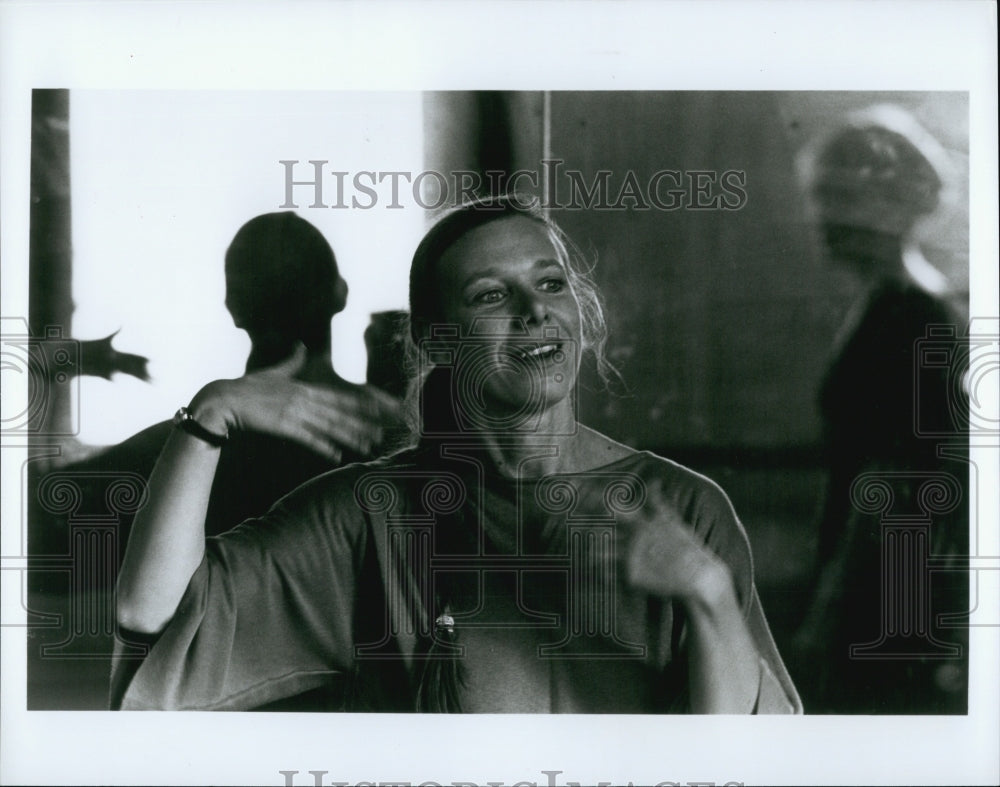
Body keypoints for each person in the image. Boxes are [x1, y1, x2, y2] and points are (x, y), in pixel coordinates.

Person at [112, 195, 801, 713]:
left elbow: (747, 760)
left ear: (581, 311)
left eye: (551, 282)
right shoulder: (373, 514)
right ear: (439, 342)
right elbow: (152, 617)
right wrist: (206, 418)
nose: (534, 310)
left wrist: (707, 595)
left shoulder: (684, 507)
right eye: (491, 295)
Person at [794, 108, 969, 713]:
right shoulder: (885, 305)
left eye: (836, 197)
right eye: (818, 197)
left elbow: (897, 486)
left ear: (879, 205)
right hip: (869, 581)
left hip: (889, 592)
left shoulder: (917, 317)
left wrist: (827, 612)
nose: (821, 218)